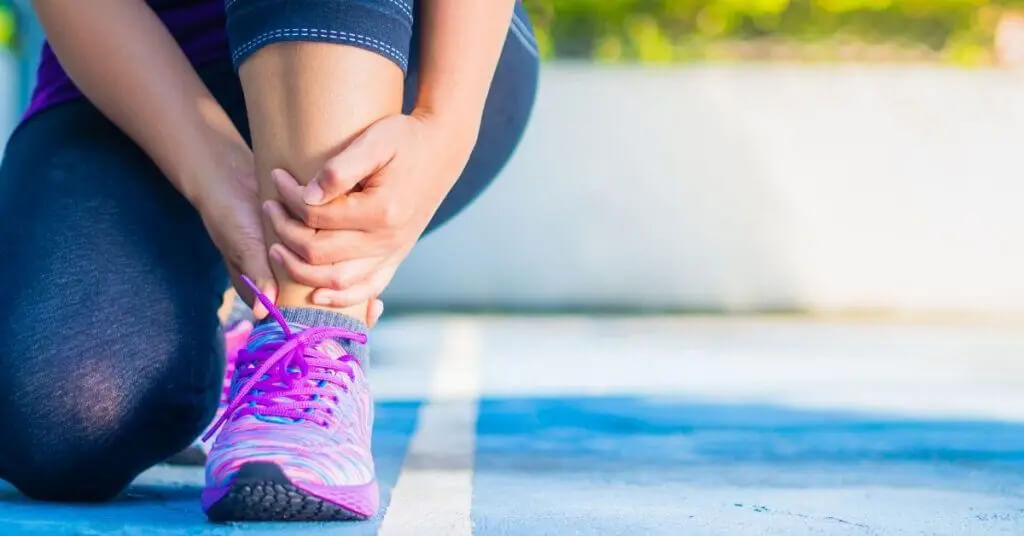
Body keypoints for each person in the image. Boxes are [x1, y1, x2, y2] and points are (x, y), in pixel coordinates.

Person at [0, 0, 537, 521]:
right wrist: (215, 177)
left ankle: (311, 338)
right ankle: (237, 324)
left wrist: (445, 124)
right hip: (140, 73)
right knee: (60, 418)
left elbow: (448, 113)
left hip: (409, 43)